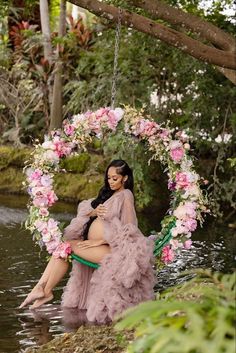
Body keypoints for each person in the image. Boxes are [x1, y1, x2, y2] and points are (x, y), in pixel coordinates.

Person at [19, 160, 155, 323]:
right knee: (63, 248)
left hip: (115, 251)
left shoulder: (126, 195)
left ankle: (44, 289)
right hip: (100, 247)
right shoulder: (111, 195)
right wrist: (95, 211)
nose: (111, 182)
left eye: (115, 178)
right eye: (109, 178)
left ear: (125, 178)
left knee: (66, 247)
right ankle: (42, 288)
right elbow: (91, 215)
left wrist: (101, 241)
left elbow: (130, 228)